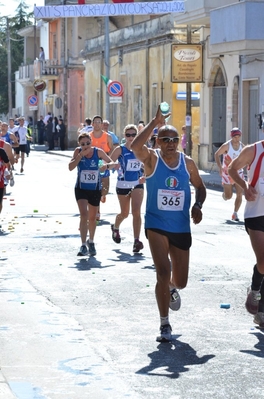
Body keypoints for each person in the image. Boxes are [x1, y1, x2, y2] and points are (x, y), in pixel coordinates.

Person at [131, 105, 206, 342]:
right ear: (159, 142)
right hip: (156, 224)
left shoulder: (188, 163)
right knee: (162, 272)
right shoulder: (151, 160)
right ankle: (164, 324)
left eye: (174, 139)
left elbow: (200, 188)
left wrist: (198, 205)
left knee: (180, 281)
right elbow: (134, 147)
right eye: (166, 139)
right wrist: (155, 123)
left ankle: (172, 288)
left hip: (181, 226)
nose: (171, 143)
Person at [228, 140, 264, 328]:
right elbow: (232, 169)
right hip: (256, 213)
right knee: (263, 261)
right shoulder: (253, 150)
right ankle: (255, 287)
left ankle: (261, 312)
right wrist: (245, 186)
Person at [68, 132, 116, 256]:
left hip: (94, 189)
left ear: (91, 142)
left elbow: (112, 163)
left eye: (88, 143)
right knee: (84, 215)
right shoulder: (78, 152)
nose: (86, 146)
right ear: (79, 144)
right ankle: (83, 244)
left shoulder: (98, 152)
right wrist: (80, 156)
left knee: (92, 218)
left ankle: (91, 241)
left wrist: (105, 166)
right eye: (83, 144)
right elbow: (70, 167)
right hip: (81, 188)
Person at [110, 124, 145, 252]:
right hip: (123, 184)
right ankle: (115, 227)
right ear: (125, 136)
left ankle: (136, 240)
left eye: (134, 135)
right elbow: (108, 162)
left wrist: (145, 176)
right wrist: (113, 165)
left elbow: (148, 164)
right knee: (124, 213)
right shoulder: (120, 150)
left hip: (137, 183)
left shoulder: (141, 149)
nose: (131, 138)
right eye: (128, 135)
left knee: (136, 211)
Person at [214, 127, 245, 221]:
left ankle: (235, 214)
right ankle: (225, 195)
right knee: (229, 196)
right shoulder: (227, 146)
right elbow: (216, 154)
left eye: (238, 136)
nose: (237, 138)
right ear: (232, 137)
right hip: (227, 173)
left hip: (238, 172)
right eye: (235, 136)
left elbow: (247, 158)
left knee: (239, 194)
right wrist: (220, 168)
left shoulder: (242, 146)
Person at [90, 115, 113, 219]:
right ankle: (97, 210)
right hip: (92, 165)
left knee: (105, 188)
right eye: (96, 122)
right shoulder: (89, 136)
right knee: (94, 189)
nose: (97, 124)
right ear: (92, 124)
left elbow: (112, 150)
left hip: (103, 163)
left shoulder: (107, 136)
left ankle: (103, 195)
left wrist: (109, 163)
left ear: (102, 124)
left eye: (99, 122)